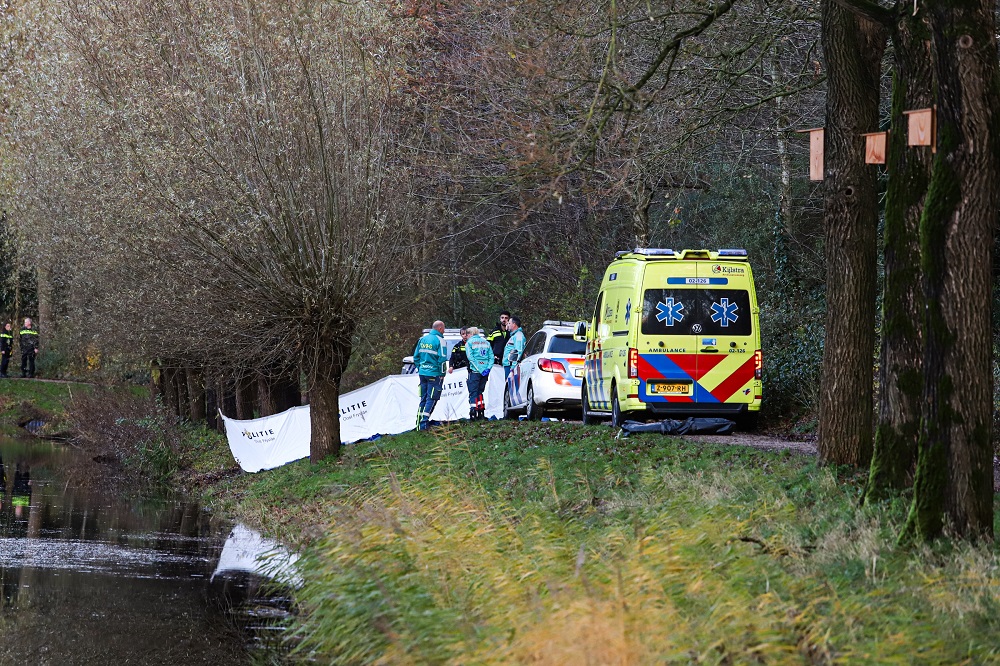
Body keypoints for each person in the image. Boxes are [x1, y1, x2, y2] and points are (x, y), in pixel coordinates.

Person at [413, 320, 448, 431]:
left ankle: (418, 423)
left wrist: (420, 368)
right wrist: (442, 373)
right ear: (440, 328)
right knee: (431, 398)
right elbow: (442, 359)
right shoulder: (440, 340)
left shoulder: (422, 339)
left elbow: (416, 357)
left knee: (423, 398)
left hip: (423, 373)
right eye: (444, 328)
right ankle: (424, 424)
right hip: (434, 374)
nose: (444, 331)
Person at [464, 327, 493, 420]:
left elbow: (470, 358)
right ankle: (481, 411)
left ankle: (473, 412)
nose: (466, 336)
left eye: (467, 334)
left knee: (473, 392)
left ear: (470, 334)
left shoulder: (469, 343)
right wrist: (487, 368)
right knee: (480, 391)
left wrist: (479, 369)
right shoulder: (486, 342)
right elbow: (491, 358)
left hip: (475, 371)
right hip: (485, 372)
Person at [502, 315, 526, 380]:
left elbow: (519, 351)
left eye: (509, 323)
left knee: (511, 388)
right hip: (508, 365)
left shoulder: (518, 336)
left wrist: (513, 367)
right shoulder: (514, 335)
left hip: (511, 366)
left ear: (514, 324)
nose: (508, 325)